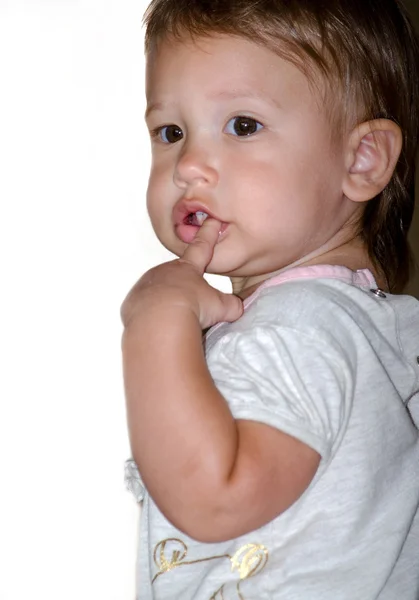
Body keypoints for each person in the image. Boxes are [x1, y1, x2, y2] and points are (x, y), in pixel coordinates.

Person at [122, 0, 419, 597]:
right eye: (171, 132)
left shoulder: (301, 328)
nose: (190, 166)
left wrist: (152, 325)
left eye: (243, 125)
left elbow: (213, 500)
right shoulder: (350, 327)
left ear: (361, 160)